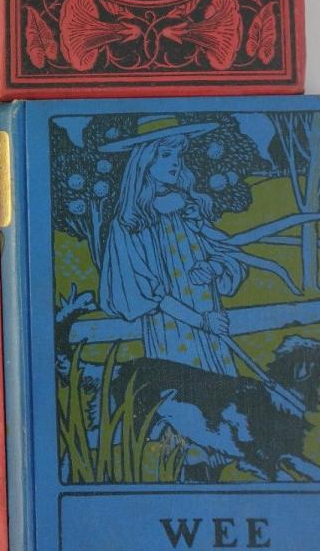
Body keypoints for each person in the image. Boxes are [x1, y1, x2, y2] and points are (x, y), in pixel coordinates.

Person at [98, 118, 246, 376]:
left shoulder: (188, 209)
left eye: (178, 154)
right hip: (172, 330)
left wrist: (214, 267)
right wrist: (201, 321)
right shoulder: (129, 223)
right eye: (165, 154)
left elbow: (229, 254)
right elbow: (142, 293)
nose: (175, 162)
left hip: (213, 323)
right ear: (144, 161)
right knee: (181, 387)